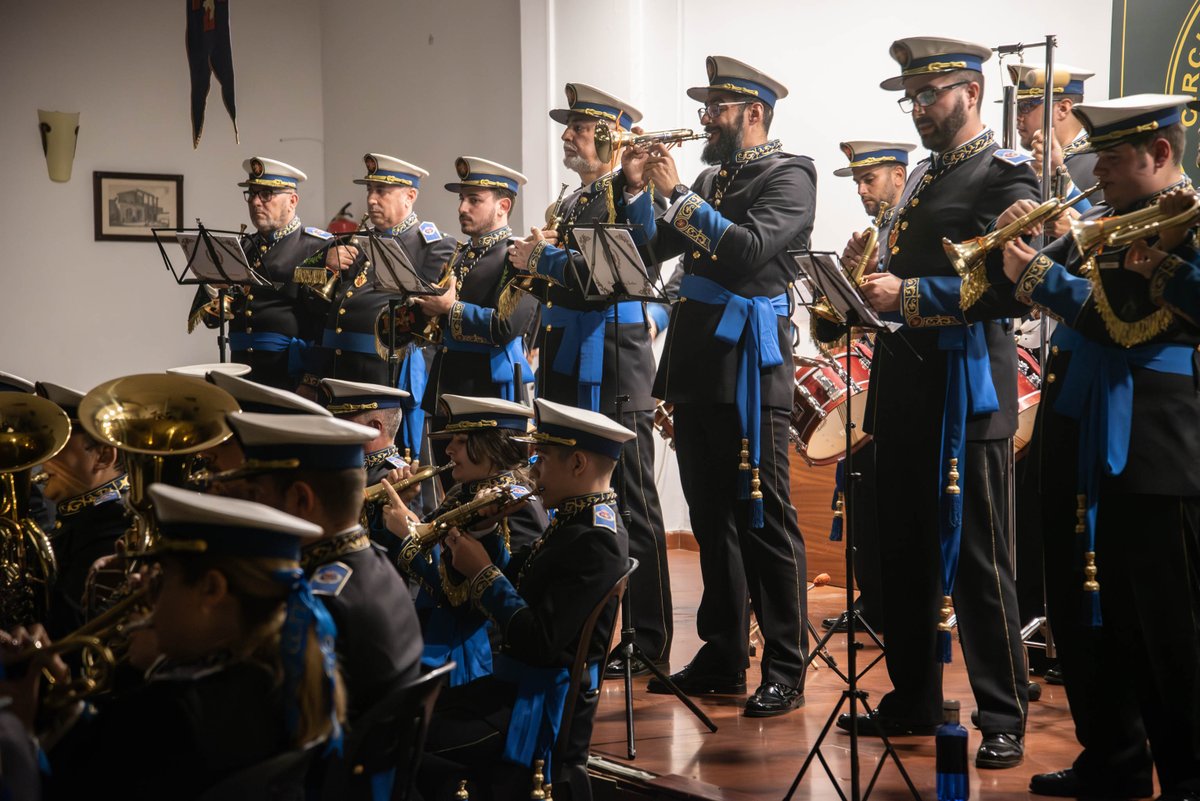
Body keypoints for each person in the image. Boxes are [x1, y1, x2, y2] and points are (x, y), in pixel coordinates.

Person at [839, 36, 1040, 769]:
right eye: (912, 98)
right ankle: (914, 696)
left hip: (967, 389)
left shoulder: (1005, 173)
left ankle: (1002, 712)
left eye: (932, 95)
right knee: (904, 555)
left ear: (974, 93)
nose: (920, 109)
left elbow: (1018, 284)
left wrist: (911, 293)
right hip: (906, 385)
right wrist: (870, 276)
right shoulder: (923, 176)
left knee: (980, 560)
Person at [999, 94, 1200, 799]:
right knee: (1088, 608)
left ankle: (1188, 773)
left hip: (1152, 442)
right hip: (1077, 423)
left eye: (1112, 158)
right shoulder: (1109, 221)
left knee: (1166, 622)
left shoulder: (1191, 219)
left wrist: (1044, 278)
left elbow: (1134, 321)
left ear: (1161, 155)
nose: (1098, 170)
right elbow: (1011, 280)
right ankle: (1112, 756)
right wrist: (1008, 249)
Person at [620, 54, 814, 717]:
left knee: (766, 519)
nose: (705, 117)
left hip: (752, 367)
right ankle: (724, 652)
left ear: (753, 112)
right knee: (709, 516)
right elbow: (649, 250)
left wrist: (678, 196)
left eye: (717, 107)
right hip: (701, 363)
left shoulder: (792, 173)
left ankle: (786, 664)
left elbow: (750, 250)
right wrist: (639, 190)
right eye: (704, 107)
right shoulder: (708, 176)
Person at [12, 483, 345, 800]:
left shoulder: (166, 713)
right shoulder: (280, 674)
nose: (144, 598)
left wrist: (18, 730)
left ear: (211, 589)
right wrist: (69, 708)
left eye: (161, 581)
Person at [508, 82, 673, 677]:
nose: (567, 137)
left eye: (578, 128)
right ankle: (580, 628)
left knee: (633, 506)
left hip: (612, 363)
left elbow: (637, 258)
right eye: (569, 127)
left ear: (608, 134)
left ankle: (649, 642)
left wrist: (542, 259)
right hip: (568, 359)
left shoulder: (628, 193)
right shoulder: (576, 201)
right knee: (572, 502)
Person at [417, 398, 632, 799]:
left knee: (404, 741)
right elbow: (518, 580)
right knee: (407, 716)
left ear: (579, 464)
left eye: (543, 460)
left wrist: (482, 572)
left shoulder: (596, 539)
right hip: (512, 688)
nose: (532, 472)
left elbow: (539, 642)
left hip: (531, 705)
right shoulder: (575, 519)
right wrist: (484, 530)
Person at [213, 411, 424, 720]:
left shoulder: (314, 604)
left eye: (257, 494)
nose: (251, 506)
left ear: (300, 499)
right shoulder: (374, 562)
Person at [381, 394, 547, 687]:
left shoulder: (518, 508)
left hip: (479, 654)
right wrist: (403, 509)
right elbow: (426, 543)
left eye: (459, 440)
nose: (448, 449)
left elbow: (469, 604)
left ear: (490, 447)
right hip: (439, 628)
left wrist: (406, 536)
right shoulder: (464, 492)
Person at [307, 154, 457, 463]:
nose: (371, 199)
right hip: (339, 370)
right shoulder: (358, 241)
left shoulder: (433, 245)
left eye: (381, 191)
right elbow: (325, 305)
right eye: (369, 190)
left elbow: (422, 312)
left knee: (392, 467)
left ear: (410, 196)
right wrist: (326, 265)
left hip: (383, 373)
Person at [416, 157, 538, 481]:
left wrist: (448, 309)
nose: (462, 207)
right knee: (450, 489)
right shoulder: (459, 254)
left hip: (489, 393)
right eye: (461, 199)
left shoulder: (518, 256)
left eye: (474, 200)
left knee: (493, 491)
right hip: (446, 387)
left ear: (503, 206)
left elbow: (506, 326)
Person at [188, 157, 333, 390]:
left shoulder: (316, 247)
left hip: (289, 374)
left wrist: (312, 379)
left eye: (266, 195)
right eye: (252, 194)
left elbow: (326, 323)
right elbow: (212, 320)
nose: (256, 202)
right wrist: (212, 286)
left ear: (292, 201)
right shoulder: (241, 248)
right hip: (240, 370)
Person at [33, 382, 128, 638]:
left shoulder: (113, 523)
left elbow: (67, 629)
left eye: (58, 445)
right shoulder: (81, 517)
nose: (42, 459)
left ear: (104, 456)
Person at [1009, 62, 1101, 205]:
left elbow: (1099, 223)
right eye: (1017, 108)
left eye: (1025, 106)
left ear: (1063, 109)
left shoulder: (1099, 164)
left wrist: (1060, 177)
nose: (1017, 116)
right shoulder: (1030, 168)